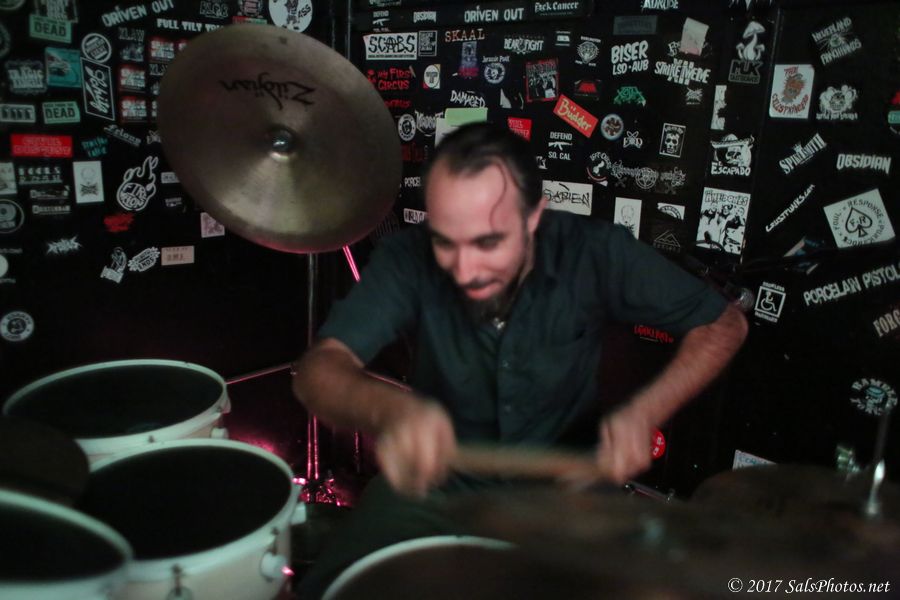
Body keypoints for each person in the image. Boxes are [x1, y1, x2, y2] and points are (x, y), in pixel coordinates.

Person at [292, 122, 748, 597]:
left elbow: (723, 325)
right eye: (446, 240)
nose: (465, 268)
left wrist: (645, 411)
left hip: (571, 490)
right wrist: (389, 409)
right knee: (329, 588)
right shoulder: (407, 258)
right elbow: (318, 370)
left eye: (489, 241)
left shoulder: (595, 251)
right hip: (435, 485)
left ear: (534, 219)